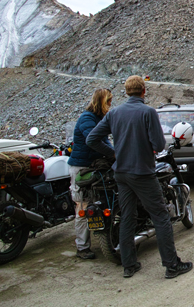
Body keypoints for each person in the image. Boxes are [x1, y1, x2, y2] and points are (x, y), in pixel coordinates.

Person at [86, 75, 193, 279]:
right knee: (161, 216)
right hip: (142, 172)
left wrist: (114, 153)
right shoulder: (148, 112)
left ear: (126, 92)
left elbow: (92, 138)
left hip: (121, 173)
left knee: (127, 216)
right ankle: (172, 265)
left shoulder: (114, 113)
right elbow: (159, 145)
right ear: (144, 91)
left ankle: (129, 265)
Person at [67, 88, 114, 260]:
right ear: (102, 101)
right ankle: (82, 247)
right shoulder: (87, 119)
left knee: (96, 201)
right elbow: (93, 140)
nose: (110, 105)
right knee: (82, 204)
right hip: (82, 168)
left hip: (94, 167)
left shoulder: (98, 118)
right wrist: (113, 154)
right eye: (109, 101)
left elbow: (105, 141)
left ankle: (104, 236)